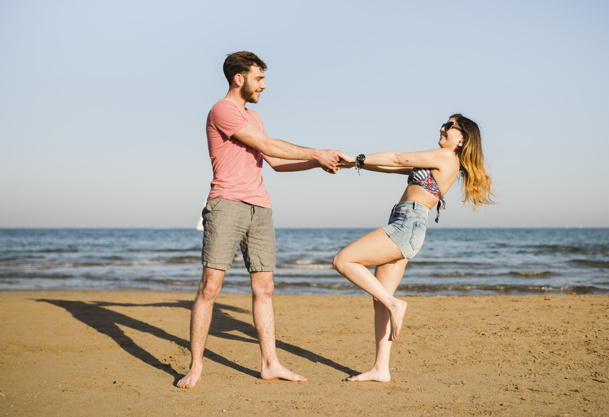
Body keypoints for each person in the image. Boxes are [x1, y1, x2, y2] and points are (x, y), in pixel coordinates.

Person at [177, 51, 341, 389]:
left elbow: (275, 161)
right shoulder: (222, 110)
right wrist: (315, 152)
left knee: (264, 287)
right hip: (226, 205)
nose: (264, 86)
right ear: (239, 79)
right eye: (259, 78)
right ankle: (195, 366)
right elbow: (266, 144)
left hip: (260, 208)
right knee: (210, 286)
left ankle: (270, 363)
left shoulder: (255, 118)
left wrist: (321, 162)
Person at [333, 114, 494, 382]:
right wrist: (354, 165)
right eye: (444, 123)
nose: (442, 127)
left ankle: (395, 304)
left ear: (462, 137)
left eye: (449, 126)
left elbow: (397, 157)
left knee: (344, 260)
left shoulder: (446, 157)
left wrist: (356, 158)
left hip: (407, 224)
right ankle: (381, 369)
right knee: (379, 299)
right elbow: (393, 167)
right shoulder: (439, 160)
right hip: (406, 223)